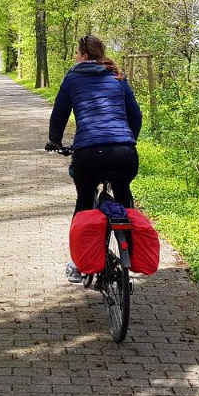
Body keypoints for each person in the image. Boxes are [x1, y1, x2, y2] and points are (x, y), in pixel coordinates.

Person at [46, 35, 142, 282]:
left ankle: (79, 264)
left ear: (85, 56)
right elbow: (136, 115)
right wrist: (128, 140)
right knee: (123, 193)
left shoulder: (73, 78)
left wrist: (55, 141)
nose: (76, 58)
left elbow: (59, 115)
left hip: (89, 154)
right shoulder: (117, 77)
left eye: (78, 54)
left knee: (84, 202)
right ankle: (130, 248)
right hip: (125, 153)